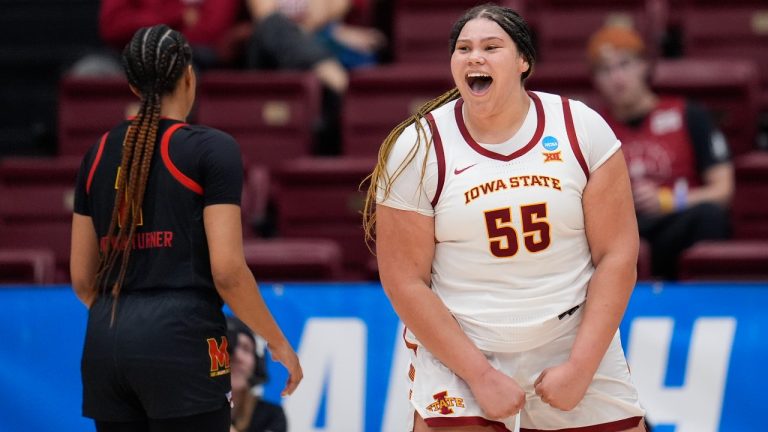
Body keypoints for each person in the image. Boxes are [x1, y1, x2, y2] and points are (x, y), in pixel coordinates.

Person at [363, 3, 646, 431]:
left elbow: (618, 255)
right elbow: (403, 279)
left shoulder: (581, 128)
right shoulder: (416, 146)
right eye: (463, 48)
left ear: (523, 61)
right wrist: (479, 375)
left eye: (491, 47)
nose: (475, 57)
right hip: (462, 349)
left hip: (571, 339)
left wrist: (582, 369)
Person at [69, 25, 302, 432]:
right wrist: (278, 344)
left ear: (132, 86)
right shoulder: (211, 148)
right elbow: (228, 272)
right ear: (189, 75)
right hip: (180, 337)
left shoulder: (96, 153)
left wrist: (130, 321)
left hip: (105, 336)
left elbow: (81, 278)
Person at [587, 25, 733, 280]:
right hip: (624, 229)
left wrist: (666, 201)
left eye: (625, 65)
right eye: (605, 70)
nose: (617, 78)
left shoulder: (687, 114)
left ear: (644, 65)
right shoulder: (590, 125)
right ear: (595, 79)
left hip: (676, 220)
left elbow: (723, 190)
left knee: (710, 215)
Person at [227, 317, 287, 432]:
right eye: (229, 348)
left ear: (257, 362)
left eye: (246, 348)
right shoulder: (188, 410)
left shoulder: (271, 416)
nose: (237, 356)